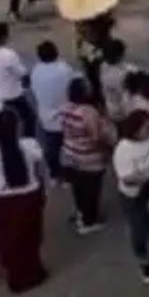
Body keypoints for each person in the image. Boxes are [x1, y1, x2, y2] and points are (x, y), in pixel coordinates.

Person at [0, 108, 48, 293]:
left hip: (3, 201)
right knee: (30, 237)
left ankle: (16, 276)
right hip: (29, 195)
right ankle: (34, 271)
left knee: (9, 240)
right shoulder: (30, 145)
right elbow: (39, 162)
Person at [113, 110, 149, 283]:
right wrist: (148, 177)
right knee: (138, 228)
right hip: (133, 195)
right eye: (146, 127)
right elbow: (126, 177)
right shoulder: (124, 149)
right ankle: (144, 261)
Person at [60, 78, 112, 234]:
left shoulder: (65, 108)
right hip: (89, 158)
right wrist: (106, 151)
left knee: (78, 186)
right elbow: (96, 138)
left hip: (71, 154)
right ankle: (89, 221)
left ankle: (80, 212)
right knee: (92, 188)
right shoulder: (89, 113)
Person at [30, 40, 79, 180]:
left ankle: (55, 174)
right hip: (66, 115)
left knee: (51, 148)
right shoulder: (65, 69)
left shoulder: (36, 71)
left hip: (47, 118)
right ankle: (73, 172)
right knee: (71, 146)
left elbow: (34, 91)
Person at [0, 22, 36, 138]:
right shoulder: (8, 54)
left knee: (2, 122)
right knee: (29, 118)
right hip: (11, 94)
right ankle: (27, 141)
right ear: (3, 37)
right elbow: (21, 73)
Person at [100, 38, 137, 125]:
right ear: (121, 55)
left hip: (111, 111)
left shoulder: (103, 67)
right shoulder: (129, 71)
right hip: (128, 113)